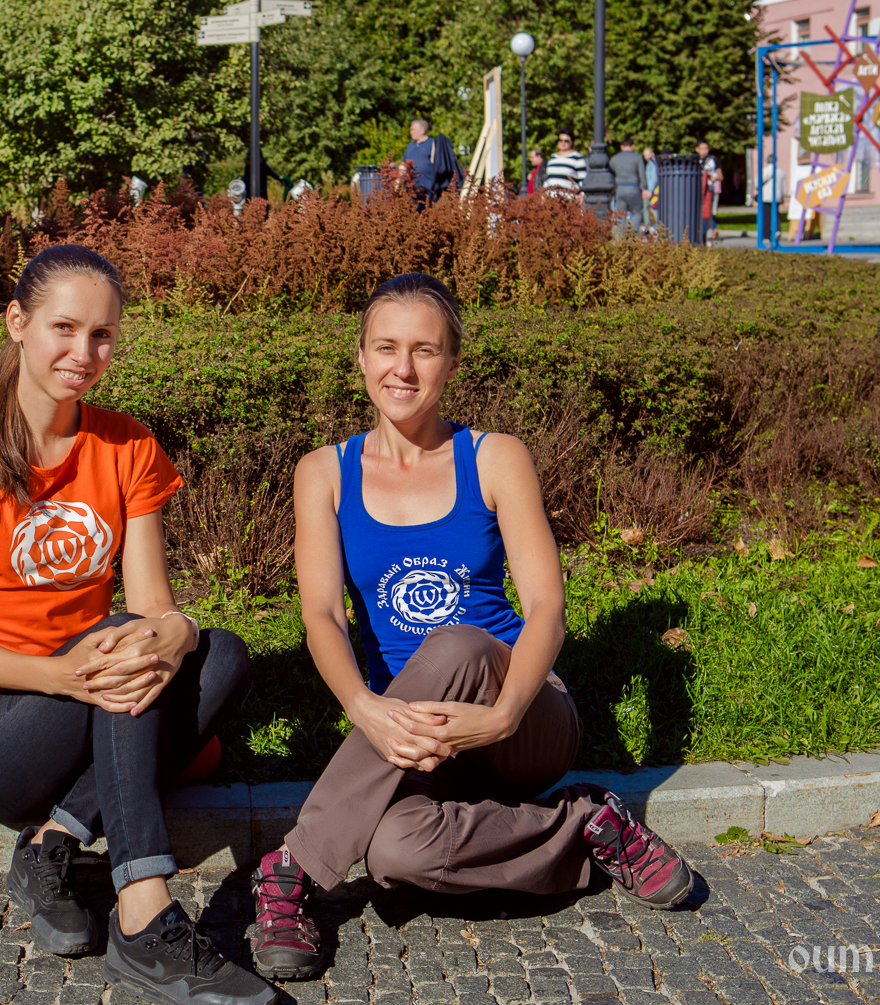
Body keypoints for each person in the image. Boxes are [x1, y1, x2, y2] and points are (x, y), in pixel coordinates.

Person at [247, 273, 694, 982]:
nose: (403, 368)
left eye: (424, 350)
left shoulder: (493, 457)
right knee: (397, 854)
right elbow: (321, 615)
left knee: (454, 641)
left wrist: (505, 713)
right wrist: (364, 707)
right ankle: (583, 825)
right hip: (411, 738)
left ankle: (292, 867)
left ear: (451, 362)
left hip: (523, 717)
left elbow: (547, 608)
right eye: (386, 347)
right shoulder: (324, 473)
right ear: (360, 356)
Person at [0, 244, 277, 1005]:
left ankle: (56, 842)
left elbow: (154, 604)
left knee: (222, 654)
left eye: (102, 335)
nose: (84, 352)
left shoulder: (127, 445)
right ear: (17, 323)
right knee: (125, 649)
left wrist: (179, 630)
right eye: (64, 328)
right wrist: (64, 675)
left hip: (98, 688)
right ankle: (146, 913)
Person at [400, 118, 462, 206]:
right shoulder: (410, 145)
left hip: (426, 188)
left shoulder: (433, 144)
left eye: (413, 129)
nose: (411, 132)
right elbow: (403, 164)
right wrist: (398, 181)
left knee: (423, 211)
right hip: (409, 187)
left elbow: (440, 164)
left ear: (422, 130)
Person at [608, 136, 643, 227]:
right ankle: (632, 233)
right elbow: (642, 174)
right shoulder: (638, 157)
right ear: (633, 146)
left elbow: (610, 173)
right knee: (637, 212)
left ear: (621, 147)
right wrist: (645, 188)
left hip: (619, 189)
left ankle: (621, 235)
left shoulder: (614, 159)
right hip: (633, 188)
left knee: (620, 215)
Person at [542, 130, 586, 195]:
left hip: (569, 197)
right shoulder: (552, 158)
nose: (563, 143)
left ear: (572, 142)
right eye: (560, 140)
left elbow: (583, 180)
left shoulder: (577, 158)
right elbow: (547, 179)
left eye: (566, 141)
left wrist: (582, 194)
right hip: (550, 197)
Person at [696, 140, 721, 244]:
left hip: (709, 190)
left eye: (706, 148)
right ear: (697, 149)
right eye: (701, 149)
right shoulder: (695, 161)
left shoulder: (713, 160)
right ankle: (699, 237)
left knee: (708, 214)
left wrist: (714, 177)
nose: (704, 151)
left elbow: (720, 176)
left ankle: (709, 237)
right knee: (698, 214)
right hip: (698, 191)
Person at [641, 147, 659, 232]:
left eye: (648, 155)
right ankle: (657, 226)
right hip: (652, 190)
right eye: (645, 155)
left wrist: (649, 191)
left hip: (650, 190)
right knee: (653, 208)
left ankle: (648, 226)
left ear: (652, 154)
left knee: (648, 208)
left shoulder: (652, 164)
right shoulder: (652, 163)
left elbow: (654, 178)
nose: (646, 157)